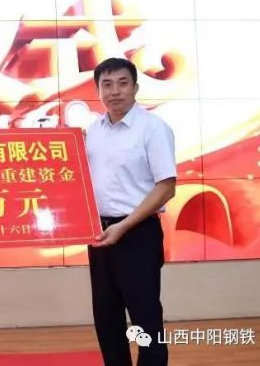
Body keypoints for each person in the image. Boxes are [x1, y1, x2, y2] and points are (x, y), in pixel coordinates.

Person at [85, 58, 176, 366]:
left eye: (123, 83)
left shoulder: (153, 128)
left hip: (137, 234)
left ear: (136, 87)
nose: (115, 91)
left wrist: (123, 227)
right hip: (99, 234)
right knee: (107, 318)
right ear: (97, 90)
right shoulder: (91, 132)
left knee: (145, 319)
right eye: (107, 85)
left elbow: (166, 187)